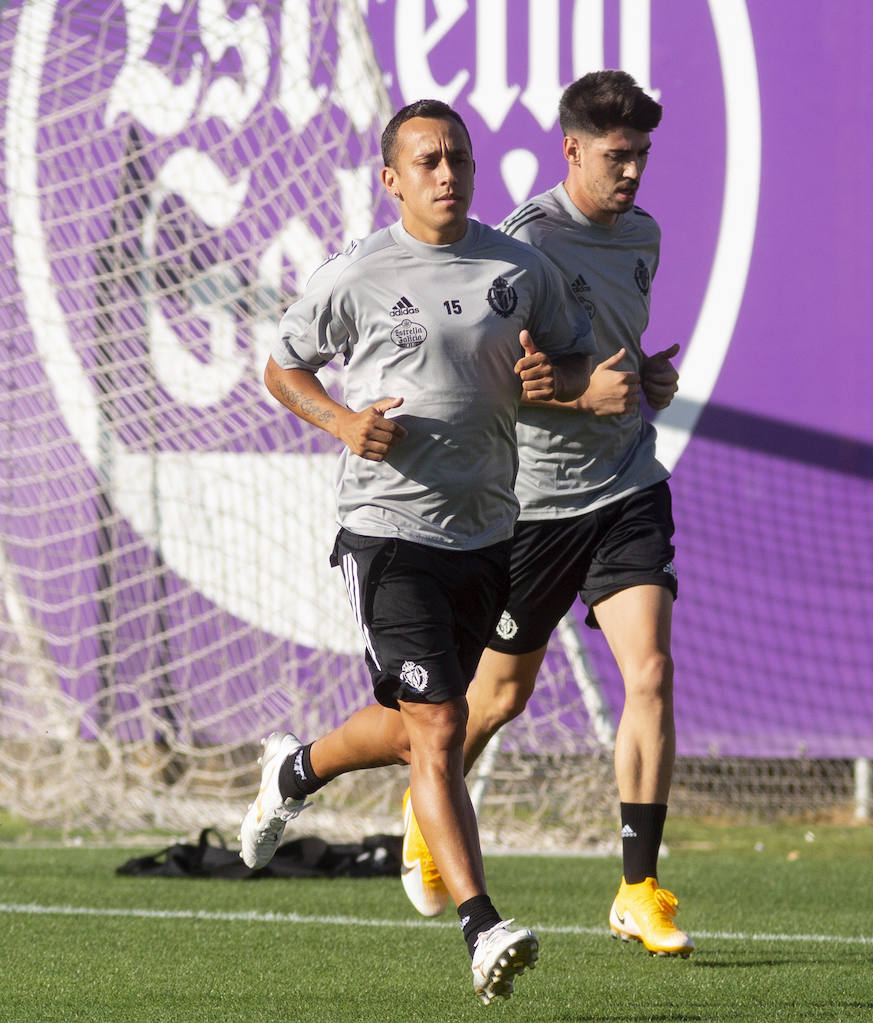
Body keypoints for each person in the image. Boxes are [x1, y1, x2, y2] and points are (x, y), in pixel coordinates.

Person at [246, 70, 692, 958]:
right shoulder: (415, 262)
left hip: (570, 500)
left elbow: (570, 364)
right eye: (428, 160)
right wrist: (343, 421)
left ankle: (637, 885)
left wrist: (628, 381)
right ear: (393, 178)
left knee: (637, 673)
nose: (447, 173)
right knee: (464, 714)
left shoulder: (563, 253)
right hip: (465, 516)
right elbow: (290, 365)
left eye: (458, 158)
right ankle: (446, 880)